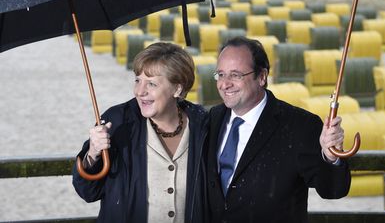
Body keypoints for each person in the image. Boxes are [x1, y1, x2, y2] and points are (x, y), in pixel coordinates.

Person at [206, 36, 351, 223]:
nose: (225, 84)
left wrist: (330, 157)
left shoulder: (301, 126)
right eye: (221, 74)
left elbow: (333, 190)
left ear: (262, 77)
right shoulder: (212, 119)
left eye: (235, 75)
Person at [72, 42, 208, 223]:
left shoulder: (203, 125)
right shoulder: (118, 122)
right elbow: (87, 192)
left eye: (151, 84)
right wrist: (93, 154)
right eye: (137, 80)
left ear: (177, 89)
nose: (139, 91)